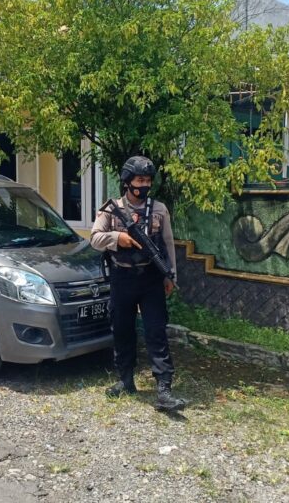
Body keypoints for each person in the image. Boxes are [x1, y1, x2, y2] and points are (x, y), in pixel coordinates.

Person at [90, 155, 187, 412]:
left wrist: (170, 274)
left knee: (156, 330)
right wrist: (117, 237)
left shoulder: (159, 209)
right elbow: (95, 239)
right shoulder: (110, 209)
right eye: (140, 180)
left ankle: (164, 389)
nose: (144, 185)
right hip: (122, 277)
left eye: (148, 181)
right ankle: (125, 380)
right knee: (122, 329)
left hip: (151, 277)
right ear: (127, 182)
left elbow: (167, 244)